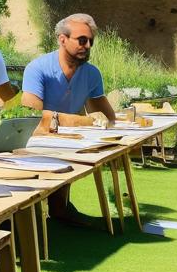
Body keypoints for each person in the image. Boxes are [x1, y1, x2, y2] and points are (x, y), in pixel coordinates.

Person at [22, 13, 116, 224]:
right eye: (82, 40)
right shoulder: (37, 69)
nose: (88, 45)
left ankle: (60, 209)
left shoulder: (92, 74)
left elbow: (106, 117)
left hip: (67, 142)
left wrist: (112, 119)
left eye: (91, 41)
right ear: (62, 39)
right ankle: (38, 216)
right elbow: (32, 116)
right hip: (35, 143)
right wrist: (84, 120)